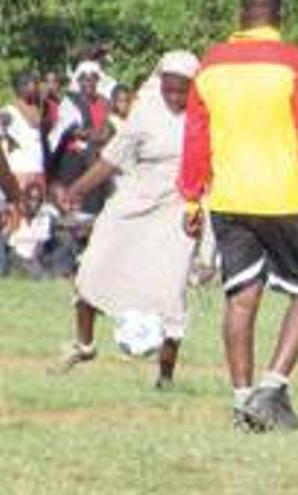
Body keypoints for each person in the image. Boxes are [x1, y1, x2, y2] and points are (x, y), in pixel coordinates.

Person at [178, 0, 298, 433]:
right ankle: (271, 389)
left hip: (229, 198)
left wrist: (192, 199)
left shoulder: (210, 64)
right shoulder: (294, 61)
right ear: (278, 15)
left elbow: (196, 136)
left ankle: (241, 404)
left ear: (240, 15)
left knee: (241, 298)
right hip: (285, 196)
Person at [48, 52, 201, 389]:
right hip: (133, 202)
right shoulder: (144, 113)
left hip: (178, 209)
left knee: (171, 289)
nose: (175, 98)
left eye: (182, 92)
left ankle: (165, 377)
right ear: (159, 84)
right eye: (169, 90)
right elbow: (110, 160)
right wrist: (75, 190)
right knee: (93, 266)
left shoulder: (204, 117)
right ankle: (83, 345)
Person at [48, 61, 113, 216]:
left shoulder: (104, 102)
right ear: (78, 82)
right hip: (73, 157)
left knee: (94, 196)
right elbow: (69, 130)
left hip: (96, 155)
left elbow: (108, 127)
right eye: (84, 79)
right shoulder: (71, 101)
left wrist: (100, 135)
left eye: (93, 79)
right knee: (72, 195)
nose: (89, 82)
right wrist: (92, 134)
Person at [2, 71, 46, 190]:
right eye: (34, 84)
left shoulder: (36, 108)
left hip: (38, 169)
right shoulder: (8, 111)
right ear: (22, 87)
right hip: (19, 171)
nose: (37, 88)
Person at [6, 183, 54, 278]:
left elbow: (41, 243)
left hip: (34, 257)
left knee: (43, 275)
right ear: (25, 198)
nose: (34, 203)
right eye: (31, 198)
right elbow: (10, 243)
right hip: (16, 255)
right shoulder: (16, 215)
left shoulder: (45, 217)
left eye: (38, 199)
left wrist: (34, 259)